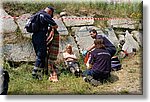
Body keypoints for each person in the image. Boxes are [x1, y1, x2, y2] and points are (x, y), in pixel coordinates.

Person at [32, 6, 58, 80]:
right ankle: (35, 74)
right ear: (50, 12)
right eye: (51, 14)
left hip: (34, 36)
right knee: (41, 56)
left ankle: (41, 73)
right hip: (41, 37)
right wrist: (52, 27)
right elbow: (55, 25)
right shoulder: (45, 15)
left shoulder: (37, 14)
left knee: (40, 55)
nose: (51, 16)